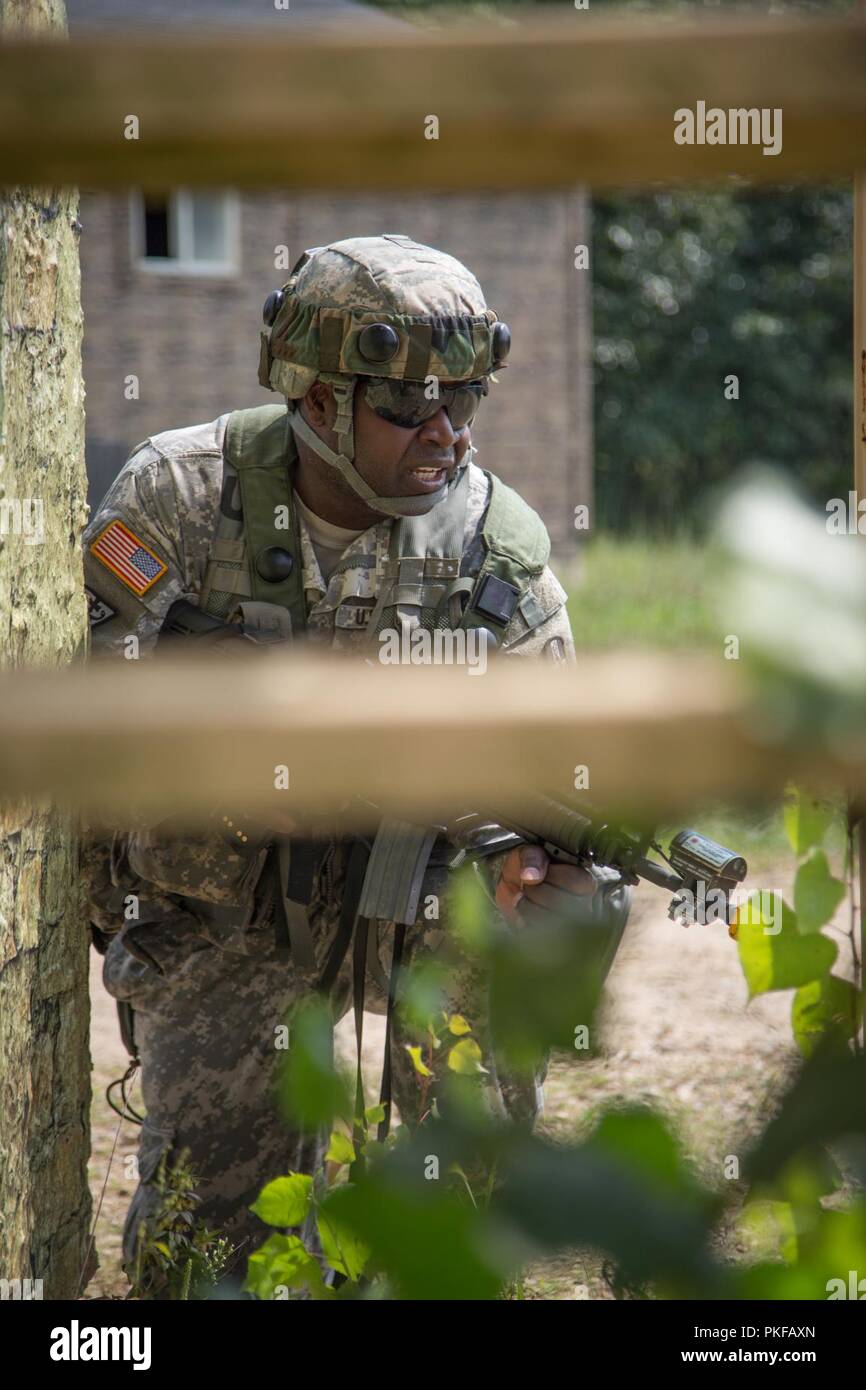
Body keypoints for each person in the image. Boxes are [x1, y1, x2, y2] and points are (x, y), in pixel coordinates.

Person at [83, 235, 630, 1292]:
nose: (447, 434)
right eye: (410, 407)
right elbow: (92, 714)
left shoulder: (494, 546)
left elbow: (562, 751)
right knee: (217, 1247)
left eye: (465, 401)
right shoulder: (183, 498)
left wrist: (536, 855)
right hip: (225, 909)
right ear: (319, 401)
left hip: (413, 896)